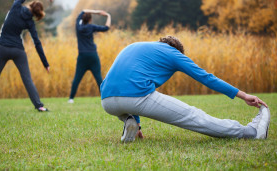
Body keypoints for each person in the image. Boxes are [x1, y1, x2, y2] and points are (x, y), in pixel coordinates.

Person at [100, 36, 270, 143]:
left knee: (129, 96)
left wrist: (137, 123)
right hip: (136, 96)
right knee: (193, 116)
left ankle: (129, 121)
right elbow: (206, 77)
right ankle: (251, 132)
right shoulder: (174, 54)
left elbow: (124, 80)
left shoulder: (135, 46)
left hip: (107, 101)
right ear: (178, 51)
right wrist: (242, 95)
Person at [0, 0, 53, 113]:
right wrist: (45, 64)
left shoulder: (16, 6)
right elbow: (37, 43)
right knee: (27, 79)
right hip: (18, 51)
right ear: (36, 14)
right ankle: (39, 106)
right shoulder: (30, 22)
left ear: (30, 4)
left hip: (2, 48)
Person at [68, 9, 111, 104]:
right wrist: (108, 15)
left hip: (82, 56)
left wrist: (96, 11)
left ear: (82, 19)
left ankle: (71, 98)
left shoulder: (78, 27)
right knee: (99, 78)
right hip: (93, 55)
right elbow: (106, 28)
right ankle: (105, 98)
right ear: (90, 20)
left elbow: (82, 11)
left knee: (77, 79)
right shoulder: (91, 27)